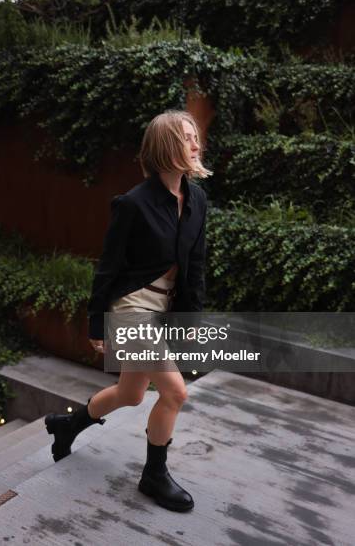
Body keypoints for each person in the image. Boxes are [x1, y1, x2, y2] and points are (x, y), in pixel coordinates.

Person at [45, 109, 212, 513]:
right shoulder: (134, 204)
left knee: (131, 393)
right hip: (132, 305)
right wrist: (98, 321)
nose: (196, 144)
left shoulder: (197, 199)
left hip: (164, 307)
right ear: (166, 146)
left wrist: (190, 319)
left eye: (196, 136)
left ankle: (67, 425)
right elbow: (108, 266)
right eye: (186, 137)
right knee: (175, 391)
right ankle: (154, 475)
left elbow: (197, 263)